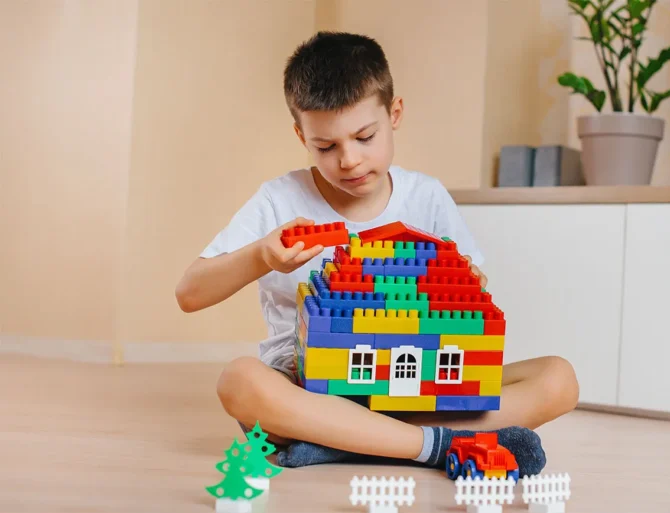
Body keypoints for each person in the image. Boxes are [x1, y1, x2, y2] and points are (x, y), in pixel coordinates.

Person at [175, 31, 578, 473]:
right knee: (240, 382)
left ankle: (349, 440)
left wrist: (460, 282)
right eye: (326, 147)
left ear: (395, 113)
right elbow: (189, 293)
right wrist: (259, 257)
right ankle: (434, 447)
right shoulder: (278, 200)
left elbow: (473, 293)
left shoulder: (426, 196)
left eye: (365, 137)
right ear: (301, 135)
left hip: (419, 385)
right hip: (307, 388)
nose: (349, 160)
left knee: (558, 380)